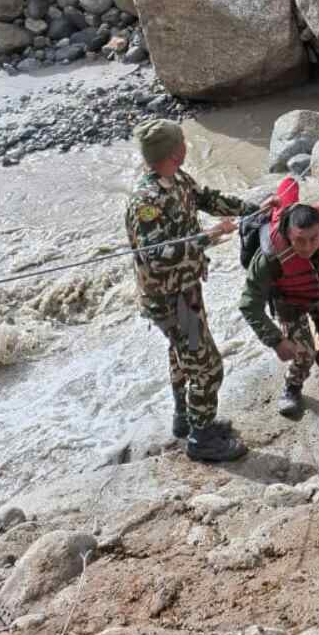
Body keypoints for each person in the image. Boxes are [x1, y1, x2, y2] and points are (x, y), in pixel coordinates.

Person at [124, 118, 268, 463]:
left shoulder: (176, 180)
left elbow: (207, 199)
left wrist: (253, 210)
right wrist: (210, 236)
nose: (188, 146)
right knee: (207, 366)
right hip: (169, 298)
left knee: (181, 355)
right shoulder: (146, 202)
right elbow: (156, 256)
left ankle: (185, 419)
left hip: (185, 289)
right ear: (175, 153)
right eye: (183, 142)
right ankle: (201, 439)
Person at [238, 193, 319, 420]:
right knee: (304, 354)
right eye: (299, 240)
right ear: (287, 234)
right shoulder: (269, 258)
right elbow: (248, 304)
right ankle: (292, 386)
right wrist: (276, 340)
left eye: (314, 239)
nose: (307, 247)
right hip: (289, 301)